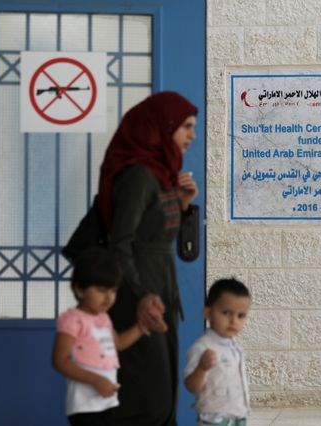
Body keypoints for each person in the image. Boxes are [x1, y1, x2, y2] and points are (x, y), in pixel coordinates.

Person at [98, 91, 199, 425]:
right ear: (161, 126)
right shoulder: (139, 176)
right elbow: (121, 244)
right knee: (147, 397)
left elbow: (156, 233)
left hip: (158, 288)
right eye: (185, 126)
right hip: (138, 293)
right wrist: (141, 295)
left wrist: (182, 203)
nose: (192, 135)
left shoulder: (160, 174)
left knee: (163, 392)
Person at [52, 247, 149, 426]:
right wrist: (96, 380)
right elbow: (60, 361)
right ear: (79, 289)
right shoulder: (72, 319)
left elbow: (118, 343)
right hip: (85, 406)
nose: (109, 297)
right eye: (102, 290)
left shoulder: (104, 318)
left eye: (113, 290)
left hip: (108, 402)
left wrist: (140, 328)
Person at [184, 278, 251, 426]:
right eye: (226, 313)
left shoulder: (235, 349)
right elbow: (191, 386)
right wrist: (201, 368)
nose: (233, 321)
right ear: (208, 313)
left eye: (241, 315)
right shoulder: (202, 348)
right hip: (214, 422)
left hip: (238, 420)